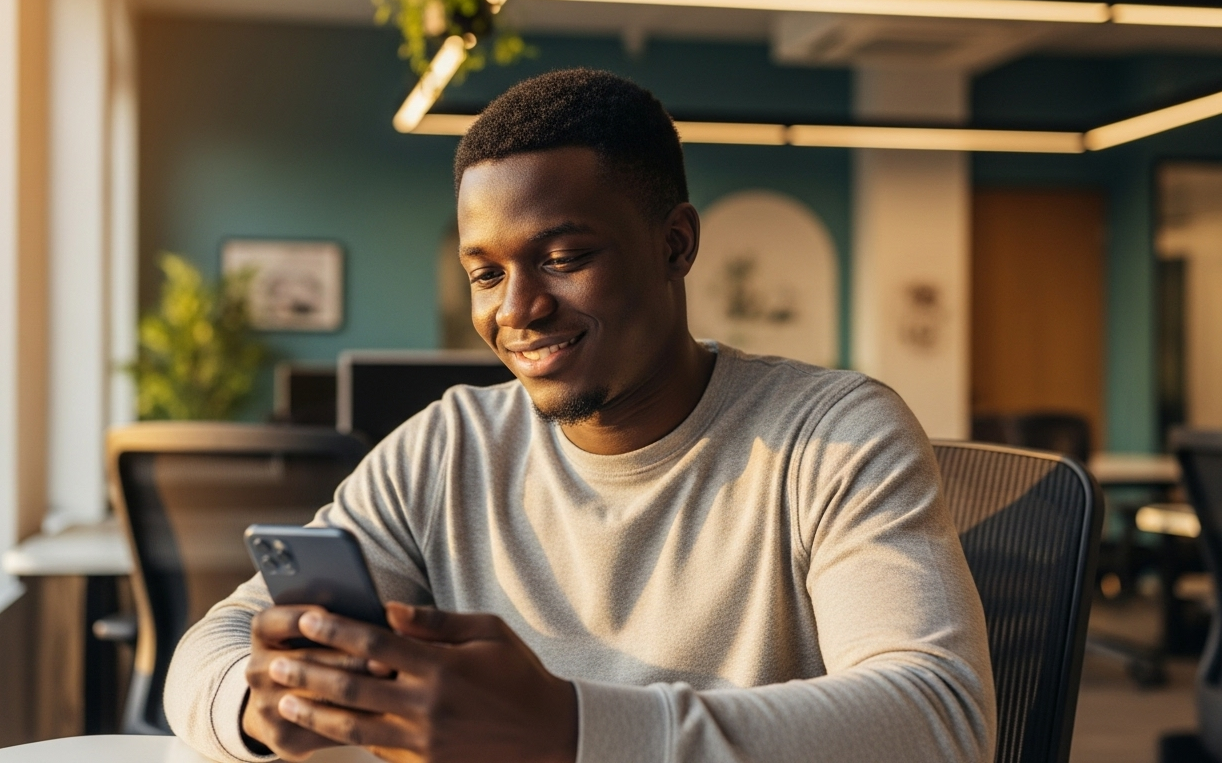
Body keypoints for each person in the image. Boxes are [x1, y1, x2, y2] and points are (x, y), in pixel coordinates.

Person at [164, 68, 995, 763]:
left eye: (563, 259)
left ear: (675, 246)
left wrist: (571, 730)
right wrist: (259, 702)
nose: (518, 310)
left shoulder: (836, 436)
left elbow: (939, 717)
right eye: (486, 275)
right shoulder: (448, 446)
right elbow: (216, 641)